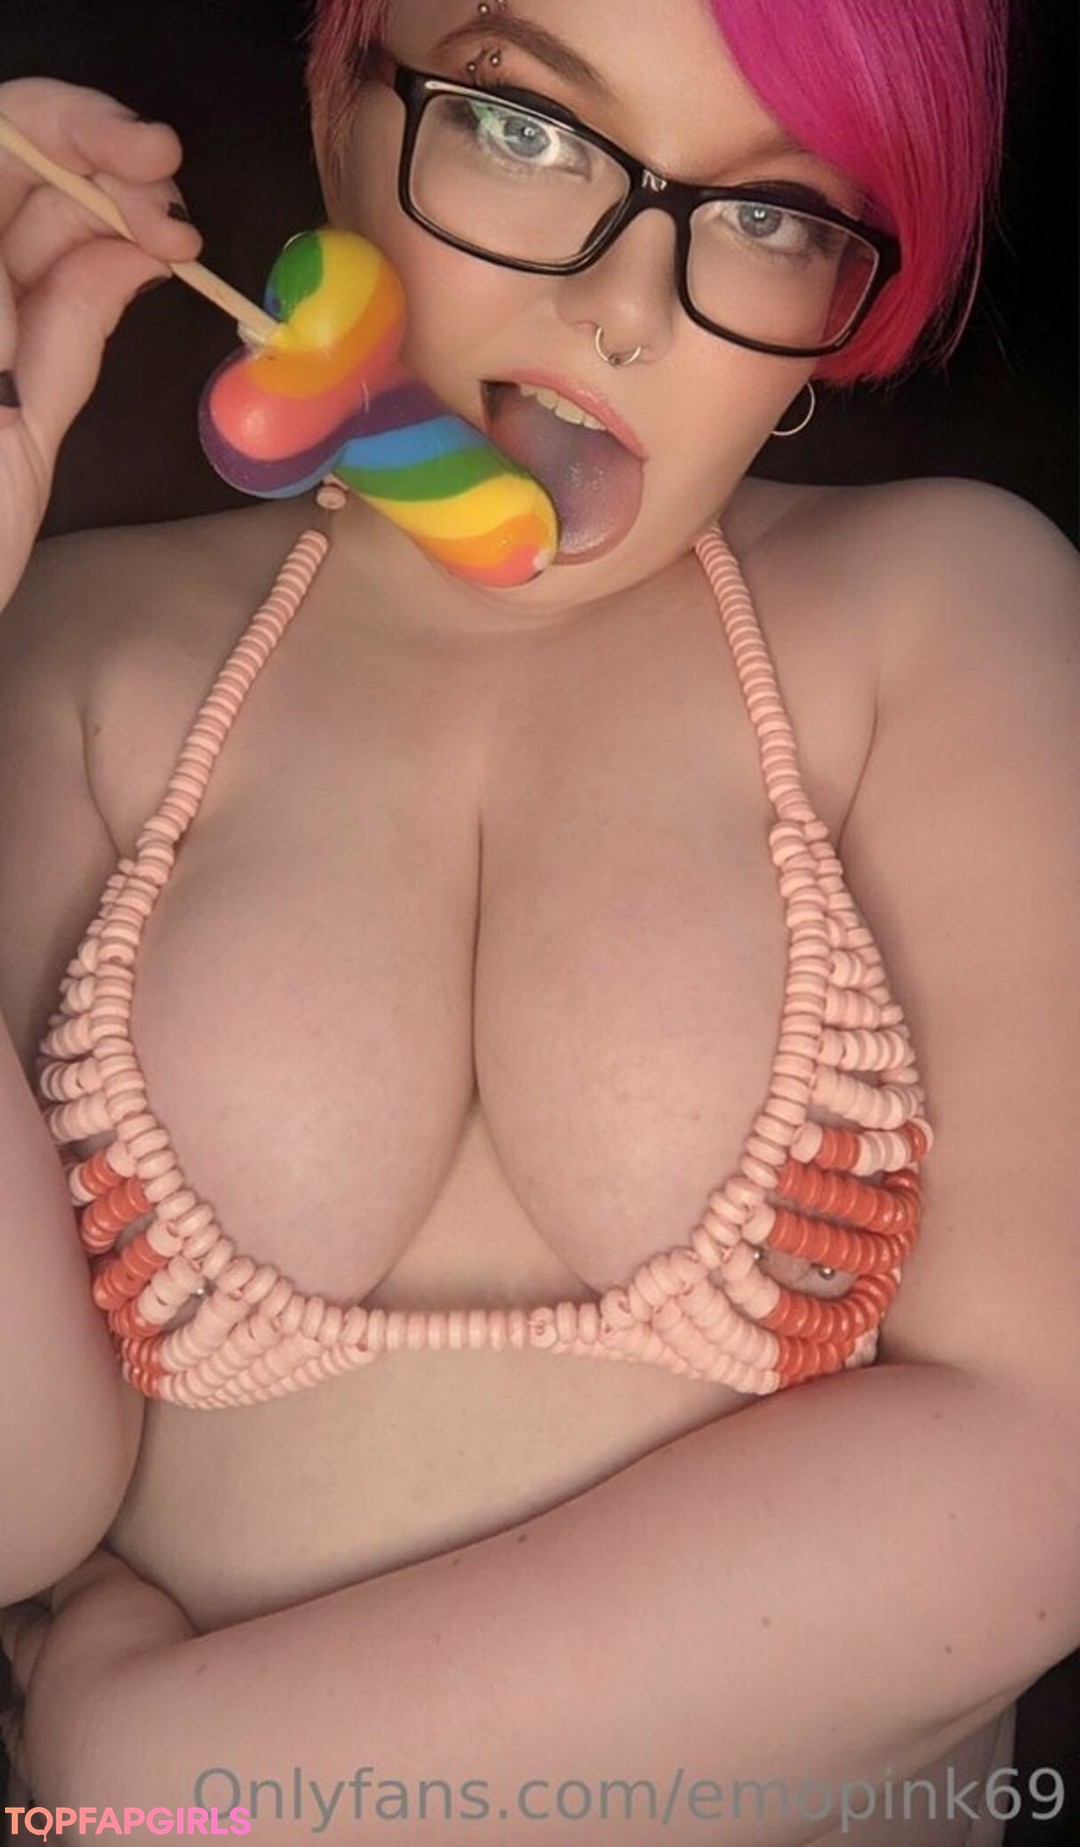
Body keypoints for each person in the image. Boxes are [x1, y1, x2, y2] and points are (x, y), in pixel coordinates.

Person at [1, 1, 1078, 1842]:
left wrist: (165, 1771)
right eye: (526, 128)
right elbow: (21, 1506)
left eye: (770, 214)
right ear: (343, 112)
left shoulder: (950, 617)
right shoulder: (67, 647)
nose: (624, 309)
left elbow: (1039, 1472)